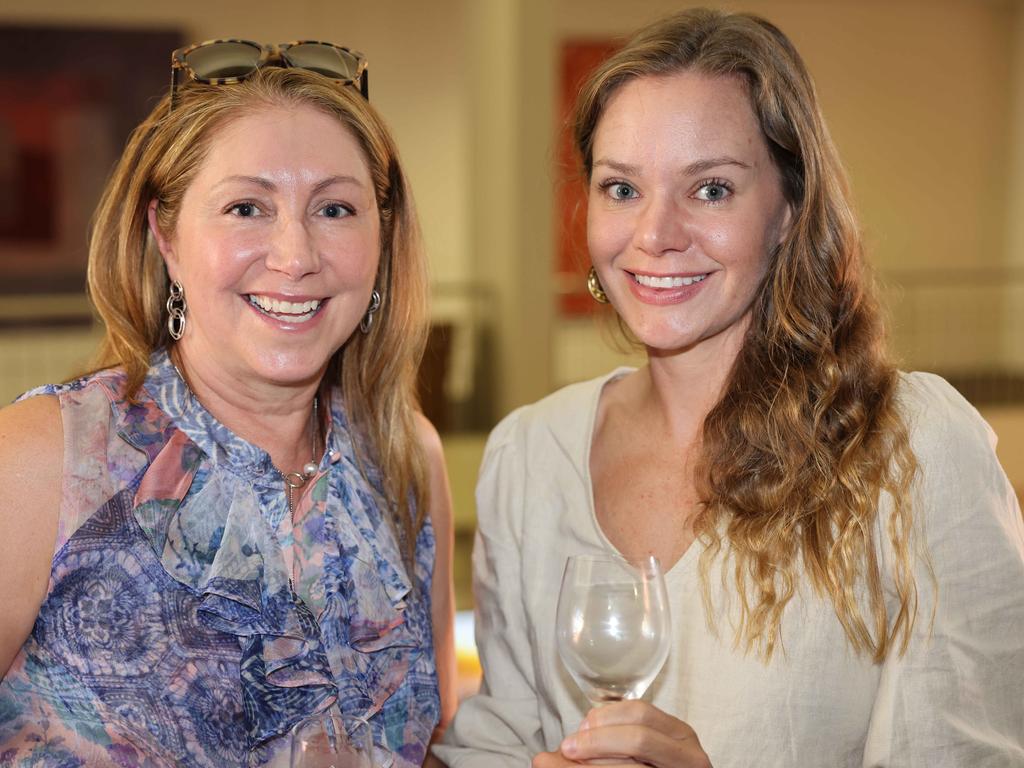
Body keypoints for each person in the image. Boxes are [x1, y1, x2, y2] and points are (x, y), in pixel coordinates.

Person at [434, 9, 1024, 768]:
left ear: (787, 211)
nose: (655, 235)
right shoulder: (529, 454)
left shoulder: (911, 448)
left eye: (710, 190)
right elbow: (500, 739)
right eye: (621, 189)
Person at [0, 40, 456, 767]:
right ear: (166, 237)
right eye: (247, 206)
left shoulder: (405, 459)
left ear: (383, 238)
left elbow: (429, 739)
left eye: (335, 208)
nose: (295, 254)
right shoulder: (40, 460)